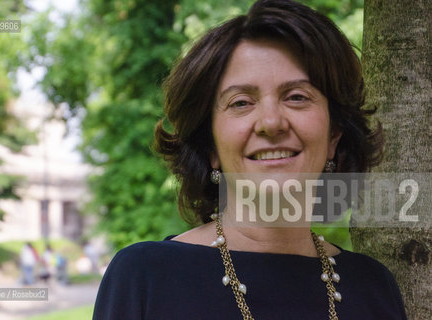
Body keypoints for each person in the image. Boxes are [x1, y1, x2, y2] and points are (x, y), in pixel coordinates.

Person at [93, 0, 407, 319]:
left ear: (334, 136)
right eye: (241, 103)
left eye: (297, 97)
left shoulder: (374, 288)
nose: (271, 122)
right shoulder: (145, 278)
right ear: (210, 146)